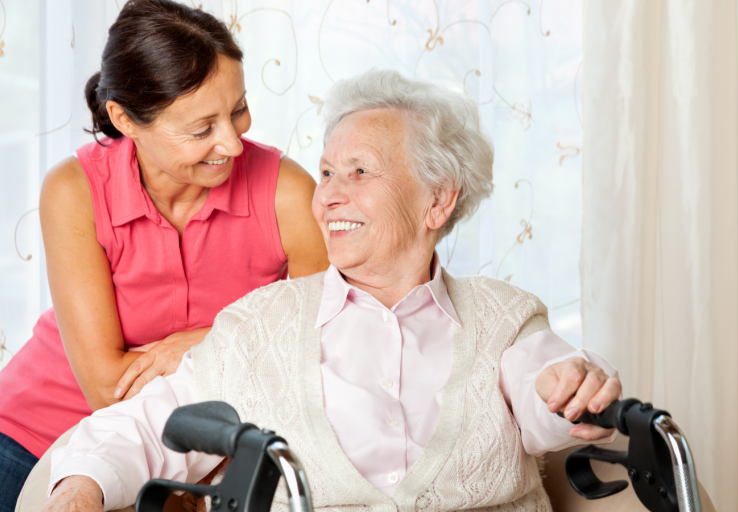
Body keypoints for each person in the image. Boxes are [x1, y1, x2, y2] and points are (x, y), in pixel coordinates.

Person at [42, 70, 621, 512]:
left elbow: (549, 390)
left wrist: (574, 389)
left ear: (438, 200)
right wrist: (81, 487)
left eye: (360, 172)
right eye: (326, 173)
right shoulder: (261, 326)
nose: (328, 197)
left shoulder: (503, 317)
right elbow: (149, 423)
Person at [0, 1, 329, 509]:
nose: (233, 143)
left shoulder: (287, 193)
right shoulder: (74, 190)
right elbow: (109, 389)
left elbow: (327, 342)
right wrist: (231, 348)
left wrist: (203, 340)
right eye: (202, 130)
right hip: (33, 435)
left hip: (192, 449)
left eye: (238, 109)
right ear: (124, 119)